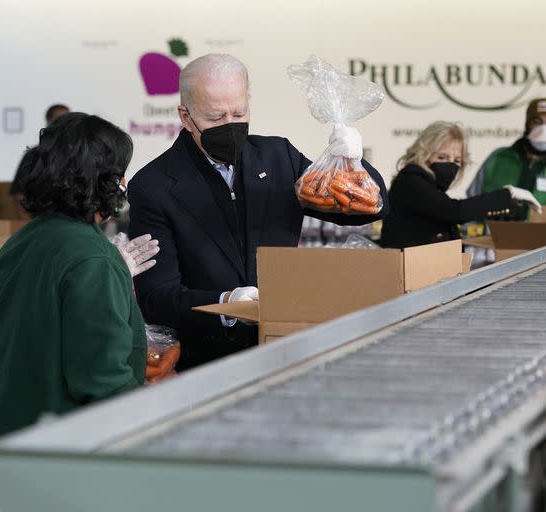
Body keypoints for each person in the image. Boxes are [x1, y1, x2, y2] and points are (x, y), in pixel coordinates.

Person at [128, 53, 389, 370]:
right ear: (185, 116)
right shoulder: (153, 186)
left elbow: (366, 210)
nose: (229, 124)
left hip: (284, 348)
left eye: (238, 112)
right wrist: (225, 304)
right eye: (214, 117)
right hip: (207, 363)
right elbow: (157, 297)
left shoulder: (279, 158)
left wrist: (352, 162)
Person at [0, 113, 154, 477]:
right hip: (56, 461)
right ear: (104, 179)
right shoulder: (93, 258)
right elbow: (99, 378)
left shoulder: (21, 242)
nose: (124, 183)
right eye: (121, 173)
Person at [380, 122, 541, 248]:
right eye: (442, 157)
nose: (450, 166)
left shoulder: (429, 186)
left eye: (456, 160)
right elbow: (456, 211)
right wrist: (508, 194)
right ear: (424, 155)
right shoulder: (411, 180)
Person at [467, 98, 546, 217]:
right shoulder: (498, 158)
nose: (544, 129)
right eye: (537, 122)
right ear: (527, 125)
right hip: (492, 237)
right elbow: (472, 201)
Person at [9, 103, 71, 202]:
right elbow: (19, 194)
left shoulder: (78, 155)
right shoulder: (34, 156)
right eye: (59, 120)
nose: (64, 125)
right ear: (48, 122)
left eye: (68, 121)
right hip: (42, 215)